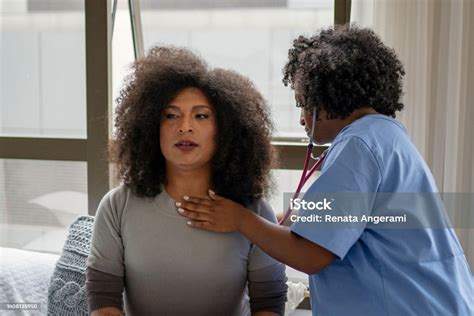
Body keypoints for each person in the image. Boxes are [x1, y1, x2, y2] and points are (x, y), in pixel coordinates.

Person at [177, 26, 474, 315]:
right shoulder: (386, 137)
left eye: (302, 103)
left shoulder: (358, 146)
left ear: (325, 99)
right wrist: (282, 225)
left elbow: (310, 255)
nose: (303, 120)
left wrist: (240, 219)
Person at [85, 46, 287, 316]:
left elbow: (269, 305)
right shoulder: (116, 206)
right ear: (150, 125)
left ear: (225, 129)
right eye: (171, 115)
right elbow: (103, 300)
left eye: (201, 115)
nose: (185, 127)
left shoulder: (255, 213)